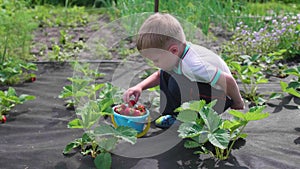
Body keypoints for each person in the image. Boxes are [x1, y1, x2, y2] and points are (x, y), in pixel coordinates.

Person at [123, 13, 245, 128]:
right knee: (166, 74)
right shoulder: (178, 54)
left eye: (156, 60)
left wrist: (237, 102)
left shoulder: (193, 65)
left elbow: (227, 80)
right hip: (206, 87)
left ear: (173, 51)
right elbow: (159, 75)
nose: (154, 64)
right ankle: (173, 115)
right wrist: (139, 87)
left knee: (177, 84)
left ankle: (193, 120)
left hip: (220, 98)